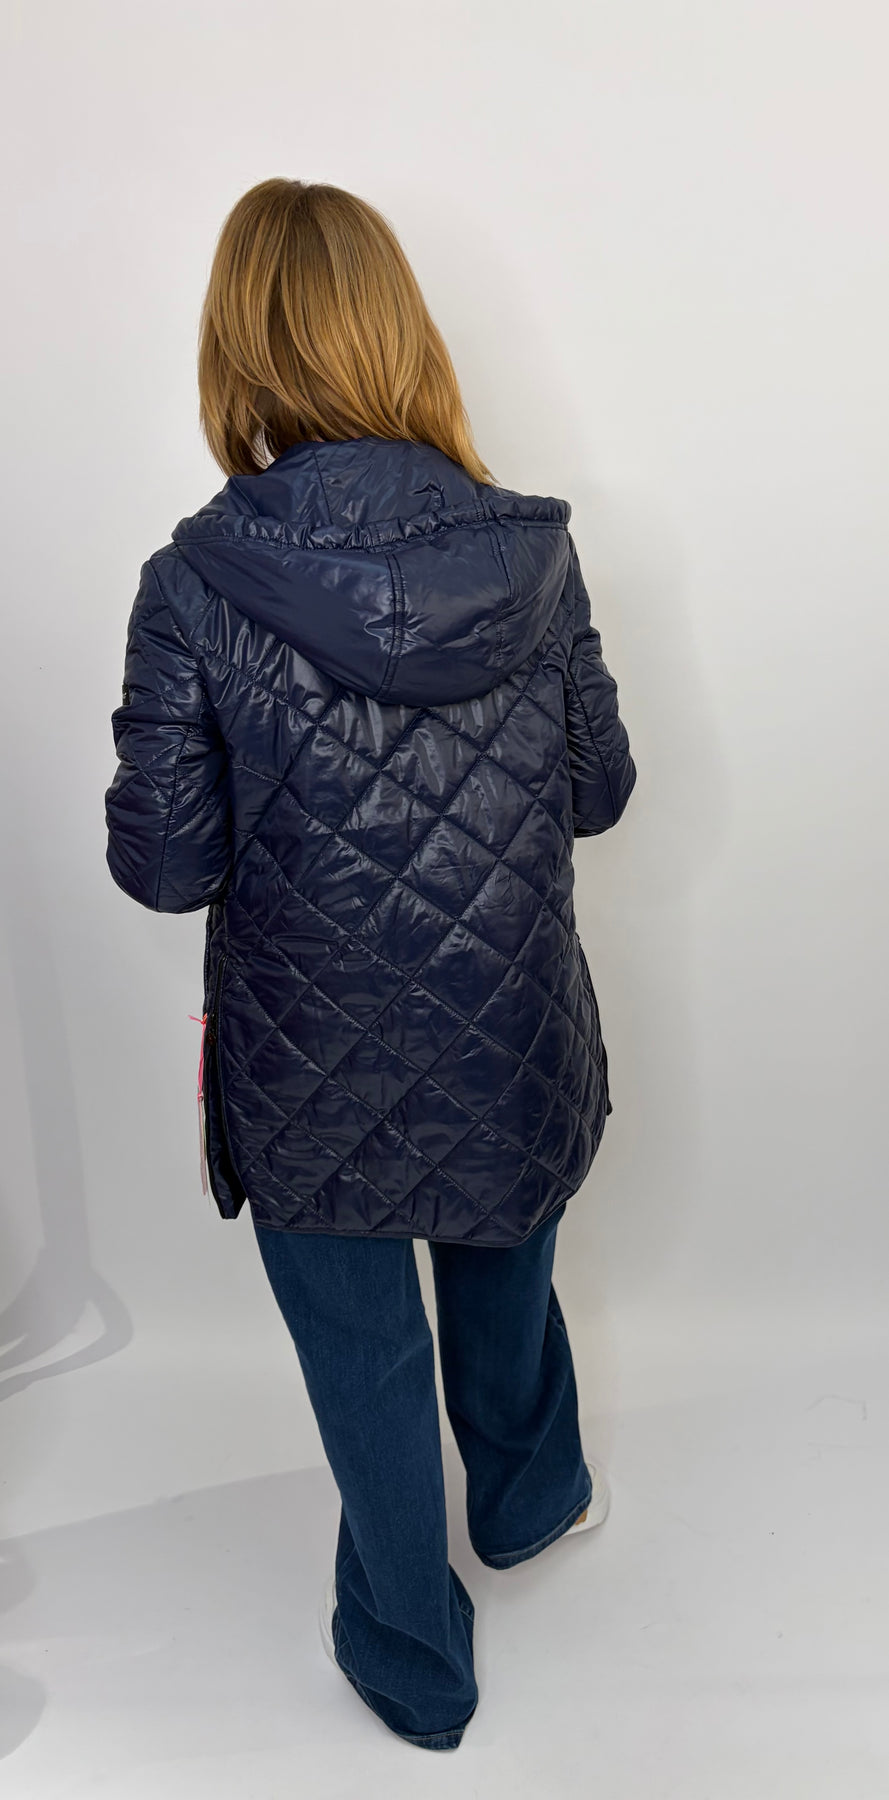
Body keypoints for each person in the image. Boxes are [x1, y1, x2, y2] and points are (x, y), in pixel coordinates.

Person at [104, 177, 637, 1751]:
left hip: (305, 1062)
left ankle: (413, 1660)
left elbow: (166, 867)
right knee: (503, 1267)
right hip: (506, 1028)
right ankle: (530, 1500)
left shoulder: (193, 583)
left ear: (239, 348)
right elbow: (599, 792)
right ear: (399, 331)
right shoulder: (534, 555)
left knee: (362, 1356)